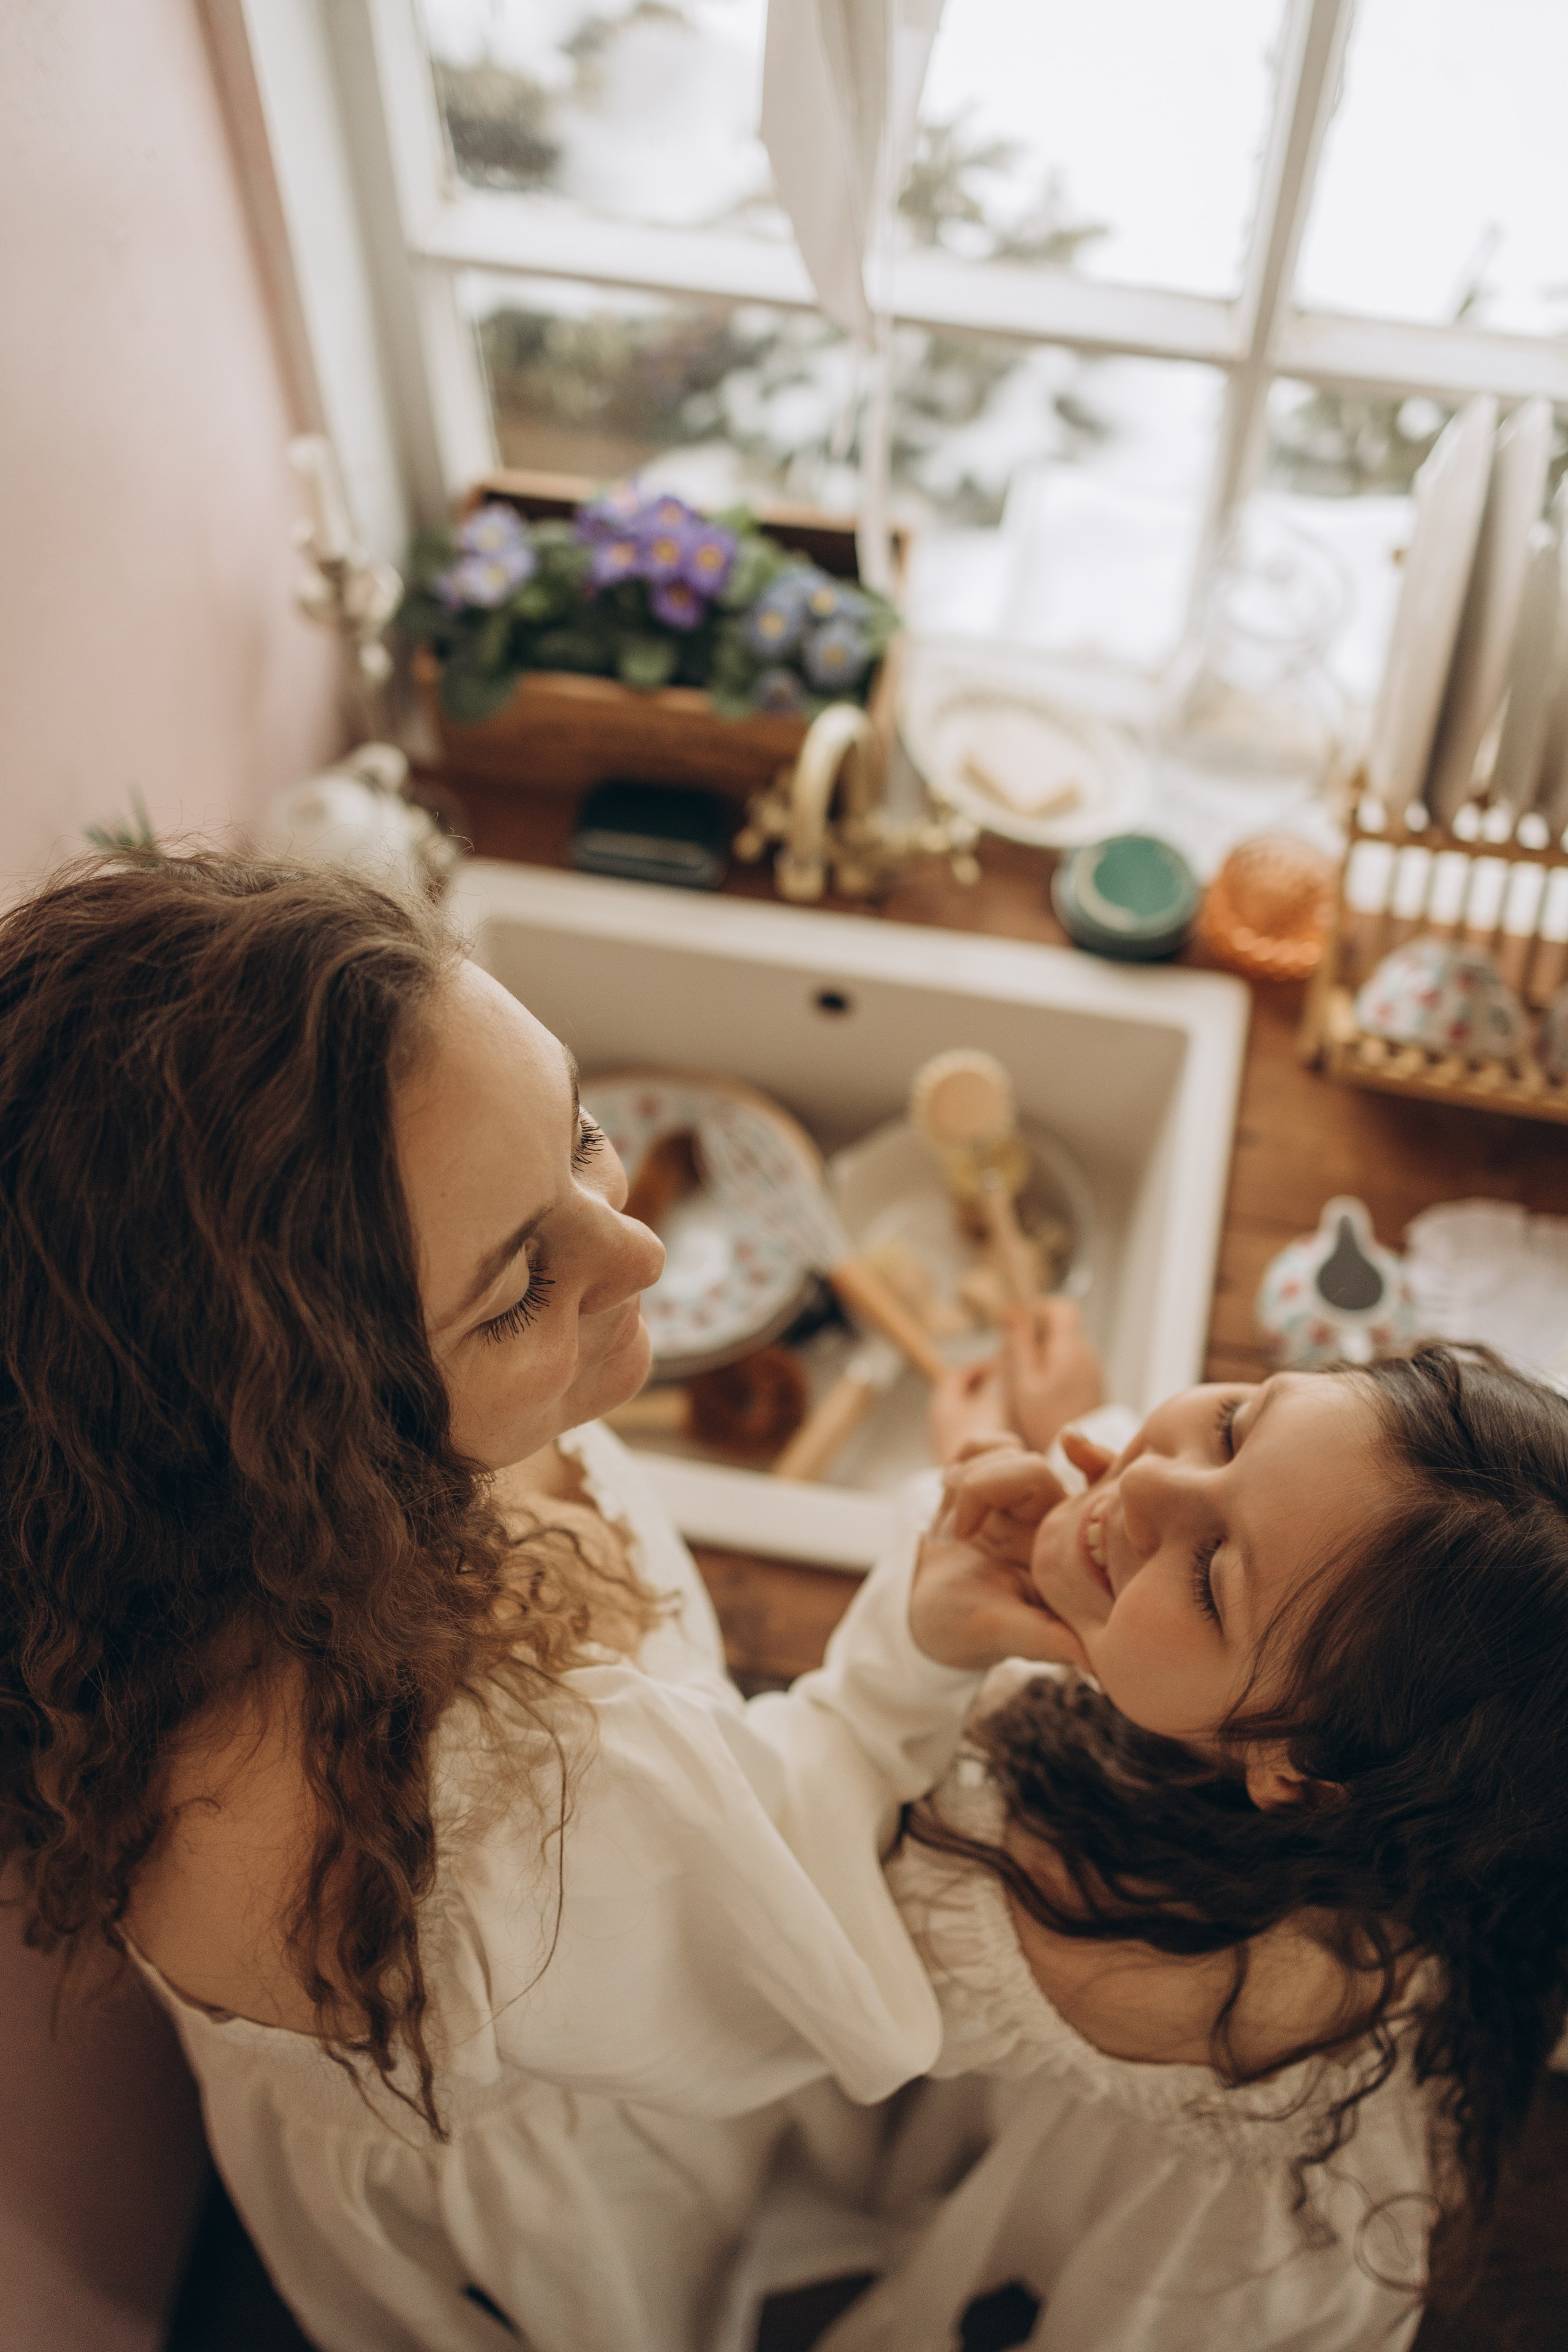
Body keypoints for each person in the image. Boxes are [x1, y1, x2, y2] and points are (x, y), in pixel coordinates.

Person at [0, 853, 1065, 2352]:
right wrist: (915, 1645)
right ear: (311, 1433)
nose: (639, 1252)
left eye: (577, 1135)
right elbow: (804, 1935)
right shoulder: (481, 1820)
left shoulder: (181, 1533)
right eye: (514, 1288)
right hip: (564, 2201)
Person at [764, 1305, 1568, 2352]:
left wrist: (916, 1644)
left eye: (1209, 1576)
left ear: (1298, 1773)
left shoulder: (1124, 1942)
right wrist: (1081, 1433)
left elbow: (779, 1871)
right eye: (1236, 1427)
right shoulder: (1380, 1777)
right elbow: (1268, 1529)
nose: (1146, 1481)